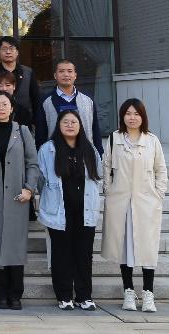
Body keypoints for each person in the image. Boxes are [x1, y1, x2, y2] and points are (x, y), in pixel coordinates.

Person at [102, 98, 168, 313]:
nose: (132, 117)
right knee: (125, 248)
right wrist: (109, 190)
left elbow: (161, 169)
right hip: (121, 202)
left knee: (148, 248)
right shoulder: (114, 139)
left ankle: (148, 293)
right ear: (122, 116)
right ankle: (128, 291)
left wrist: (158, 194)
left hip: (146, 203)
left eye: (136, 114)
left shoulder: (152, 140)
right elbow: (106, 166)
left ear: (143, 117)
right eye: (128, 113)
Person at [0, 91, 39, 310]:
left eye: (5, 104)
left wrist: (29, 188)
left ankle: (15, 294)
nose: (1, 108)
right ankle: (0, 294)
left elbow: (33, 163)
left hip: (17, 197)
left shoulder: (22, 131)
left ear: (12, 108)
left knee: (15, 245)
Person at [37, 109, 103, 311]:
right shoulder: (48, 149)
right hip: (59, 210)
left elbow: (98, 176)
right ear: (58, 125)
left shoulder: (89, 149)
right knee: (61, 254)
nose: (70, 125)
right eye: (65, 122)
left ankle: (84, 296)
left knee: (84, 255)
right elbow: (41, 180)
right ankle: (64, 296)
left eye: (74, 122)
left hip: (85, 210)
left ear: (80, 125)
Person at [36, 58, 103, 156]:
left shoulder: (88, 100)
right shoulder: (46, 101)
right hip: (55, 155)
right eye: (61, 71)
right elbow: (40, 134)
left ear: (75, 75)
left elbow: (95, 130)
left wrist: (99, 155)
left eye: (70, 71)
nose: (66, 74)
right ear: (55, 75)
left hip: (85, 154)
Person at [0, 36, 40, 128]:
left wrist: (36, 123)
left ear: (17, 52)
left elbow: (36, 101)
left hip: (25, 123)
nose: (8, 52)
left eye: (11, 48)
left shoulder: (28, 72)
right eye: (4, 49)